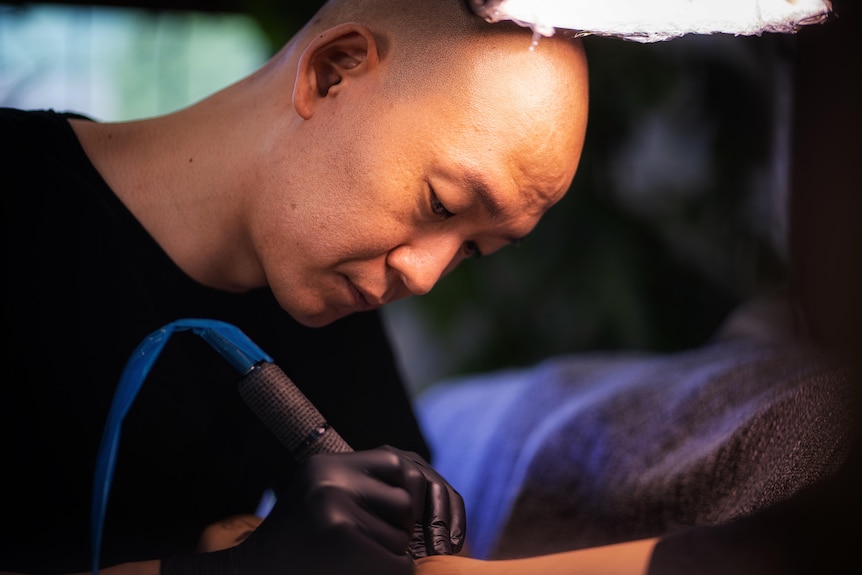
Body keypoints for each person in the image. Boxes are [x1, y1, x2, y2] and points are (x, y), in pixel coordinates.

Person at [0, 1, 589, 575]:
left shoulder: (333, 317)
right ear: (331, 71)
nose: (425, 275)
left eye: (471, 250)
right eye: (441, 204)